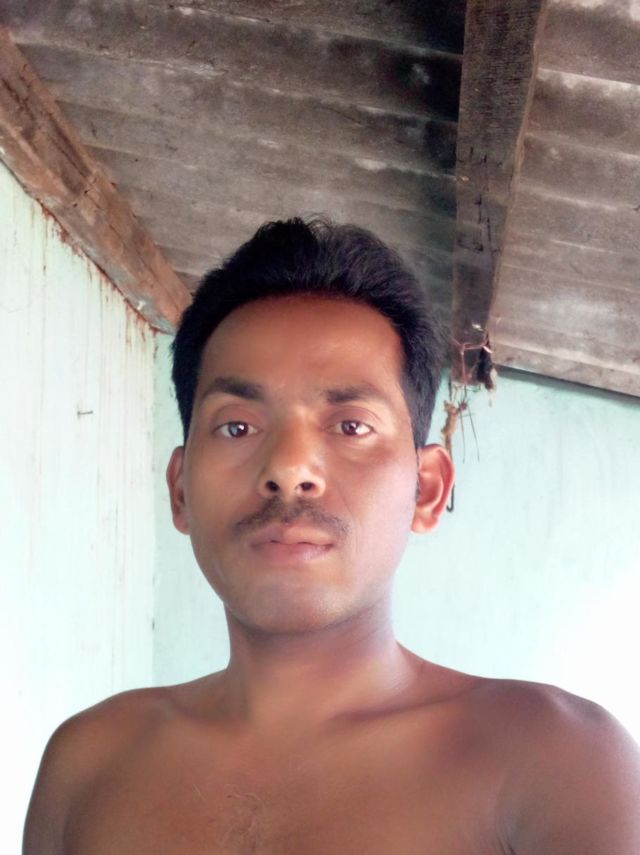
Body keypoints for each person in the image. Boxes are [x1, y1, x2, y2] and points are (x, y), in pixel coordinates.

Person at [24, 218, 640, 854]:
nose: (290, 468)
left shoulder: (555, 761)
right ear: (180, 490)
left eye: (350, 426)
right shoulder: (87, 764)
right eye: (237, 427)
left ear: (427, 490)